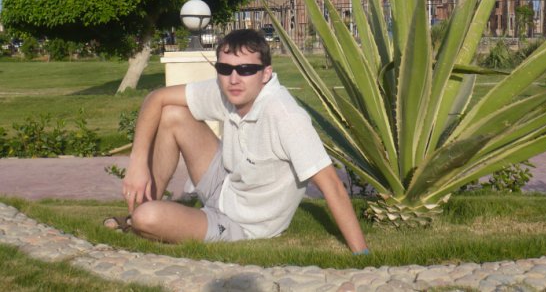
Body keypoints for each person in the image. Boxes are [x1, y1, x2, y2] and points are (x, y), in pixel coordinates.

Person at [122, 28, 368, 253]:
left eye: (247, 69)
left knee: (147, 219)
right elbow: (156, 98)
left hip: (242, 224)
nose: (234, 79)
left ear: (266, 74)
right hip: (226, 185)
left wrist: (361, 254)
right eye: (225, 69)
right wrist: (137, 164)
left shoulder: (286, 117)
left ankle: (139, 216)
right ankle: (139, 208)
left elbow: (332, 186)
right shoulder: (229, 90)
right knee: (172, 114)